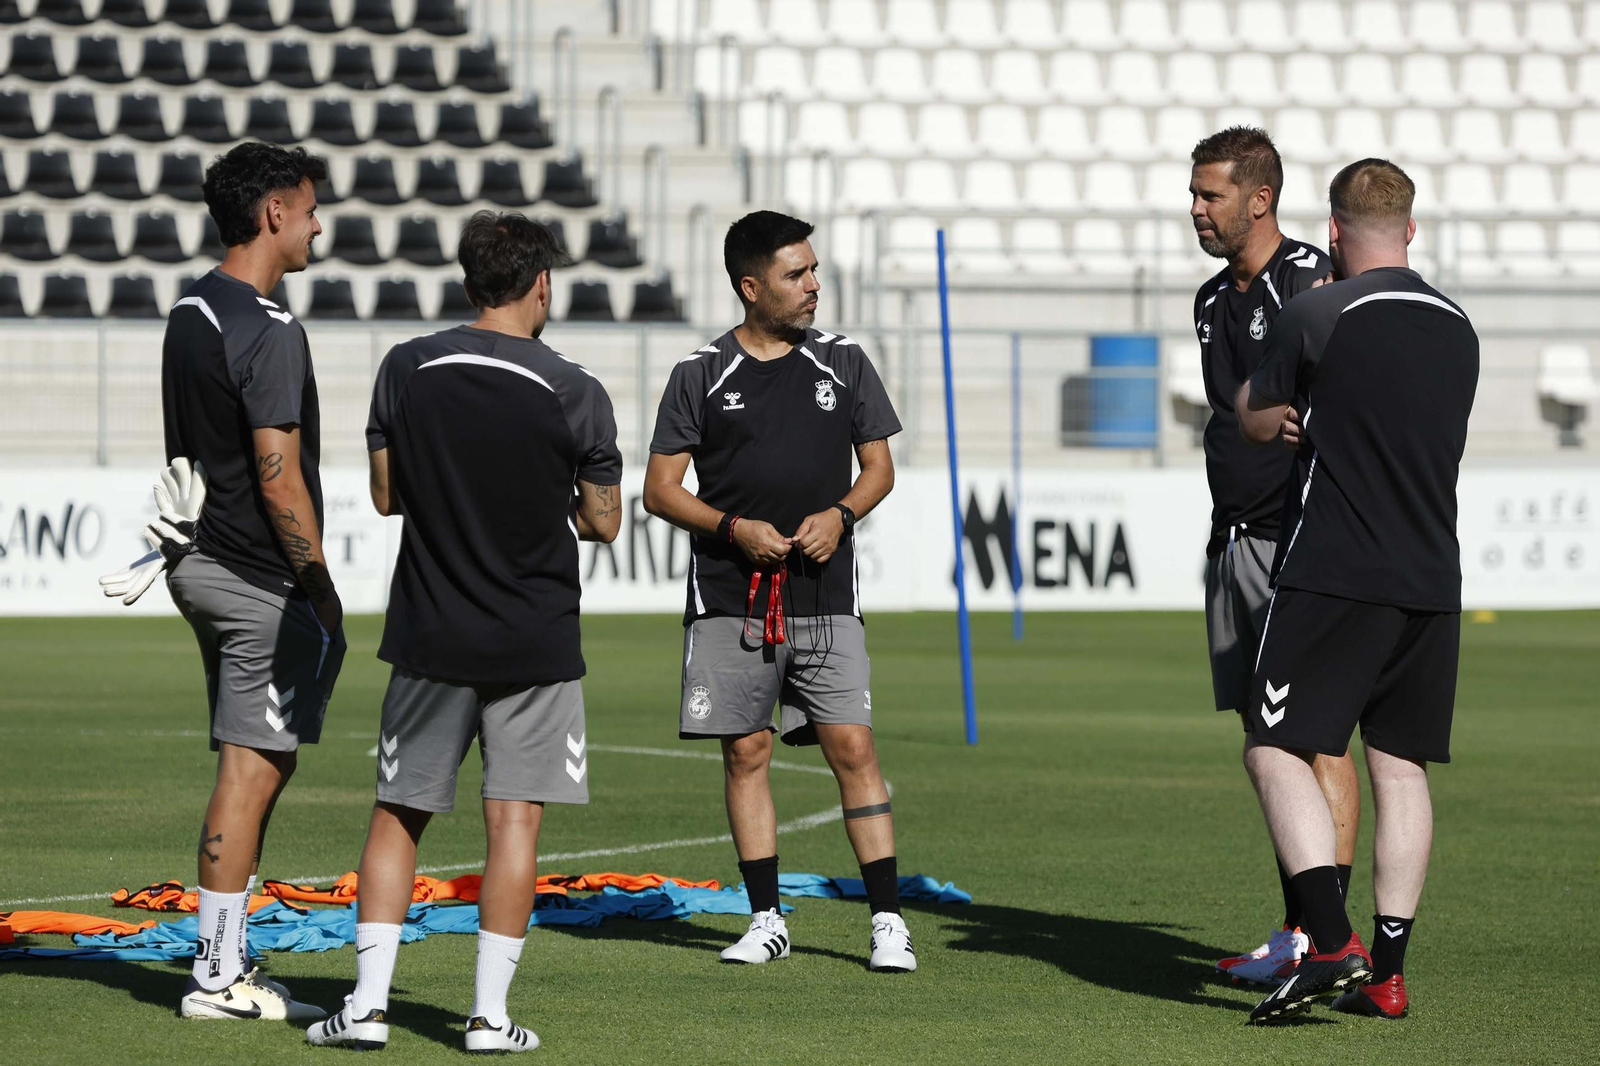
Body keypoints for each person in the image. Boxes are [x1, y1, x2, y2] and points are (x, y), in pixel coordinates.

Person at [307, 212, 621, 1053]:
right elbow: (603, 522)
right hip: (535, 636)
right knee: (513, 823)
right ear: (542, 284)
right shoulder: (576, 388)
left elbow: (385, 495)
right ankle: (487, 1019)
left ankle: (367, 1008)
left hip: (432, 630)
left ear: (468, 279)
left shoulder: (406, 366)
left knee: (397, 817)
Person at [1236, 159, 1479, 1023]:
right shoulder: (1459, 324)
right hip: (1432, 579)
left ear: (1332, 233)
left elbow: (1254, 416)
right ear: (1410, 230)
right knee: (1400, 768)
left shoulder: (1319, 311)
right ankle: (1389, 969)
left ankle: (1331, 941)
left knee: (1272, 746)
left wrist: (1291, 408)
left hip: (1335, 571)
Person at [642, 210, 913, 972]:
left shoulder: (845, 361)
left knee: (852, 745)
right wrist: (733, 529)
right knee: (747, 751)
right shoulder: (699, 373)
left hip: (826, 594)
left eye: (815, 270)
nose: (814, 286)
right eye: (797, 275)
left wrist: (841, 513)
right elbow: (661, 491)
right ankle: (766, 918)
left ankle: (888, 922)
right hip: (730, 594)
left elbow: (880, 469)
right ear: (751, 286)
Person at [162, 142, 343, 1022]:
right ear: (274, 211)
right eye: (309, 208)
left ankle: (227, 956)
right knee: (252, 768)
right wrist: (320, 587)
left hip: (200, 560)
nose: (317, 225)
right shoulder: (268, 326)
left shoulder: (191, 306)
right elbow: (279, 474)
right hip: (256, 576)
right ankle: (216, 979)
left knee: (256, 761)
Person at [1187, 127, 1360, 986]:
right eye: (1194, 194)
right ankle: (1309, 933)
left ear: (1259, 198)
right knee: (1272, 738)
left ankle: (1327, 939)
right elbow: (1237, 417)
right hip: (1236, 538)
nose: (1196, 210)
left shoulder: (1312, 282)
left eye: (1210, 195)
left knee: (1315, 740)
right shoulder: (1210, 300)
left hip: (1300, 540)